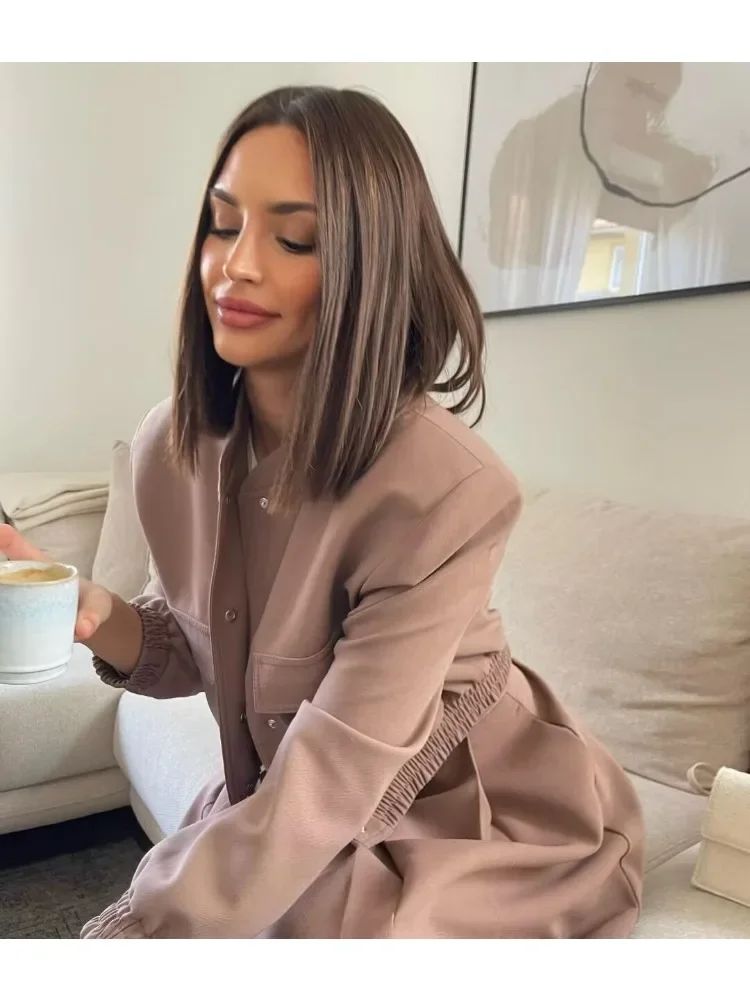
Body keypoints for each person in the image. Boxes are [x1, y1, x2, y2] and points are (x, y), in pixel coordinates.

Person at [0, 86, 644, 938]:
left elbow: (335, 773)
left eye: (294, 238)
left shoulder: (445, 488)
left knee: (307, 920)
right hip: (303, 783)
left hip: (474, 806)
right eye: (222, 224)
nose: (236, 265)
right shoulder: (170, 447)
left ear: (369, 266)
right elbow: (194, 649)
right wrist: (85, 609)